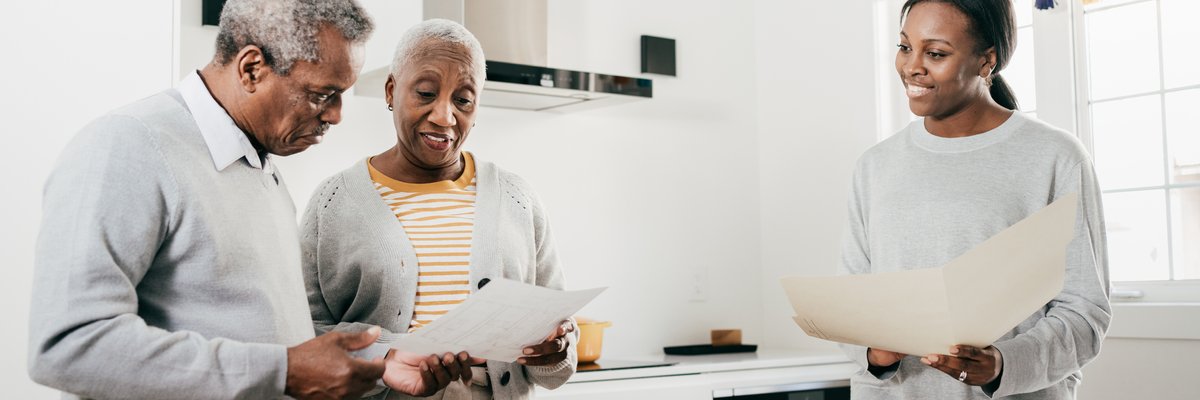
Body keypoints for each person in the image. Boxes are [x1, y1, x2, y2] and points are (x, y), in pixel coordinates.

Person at [27, 1, 472, 398]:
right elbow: (68, 345)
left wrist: (379, 360)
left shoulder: (262, 169)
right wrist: (284, 371)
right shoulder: (128, 146)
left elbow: (271, 337)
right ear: (252, 68)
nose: (336, 115)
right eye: (323, 94)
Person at [837, 0, 1111, 399]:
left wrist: (1002, 363)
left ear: (987, 61)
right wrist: (874, 351)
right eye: (904, 47)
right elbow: (851, 298)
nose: (912, 66)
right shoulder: (874, 166)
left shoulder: (1055, 157)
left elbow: (1085, 310)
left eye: (935, 53)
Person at [300, 19, 577, 399]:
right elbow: (304, 336)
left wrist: (553, 351)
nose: (444, 117)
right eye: (426, 93)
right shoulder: (333, 202)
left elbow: (557, 355)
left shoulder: (518, 198)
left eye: (463, 100)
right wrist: (388, 357)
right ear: (392, 91)